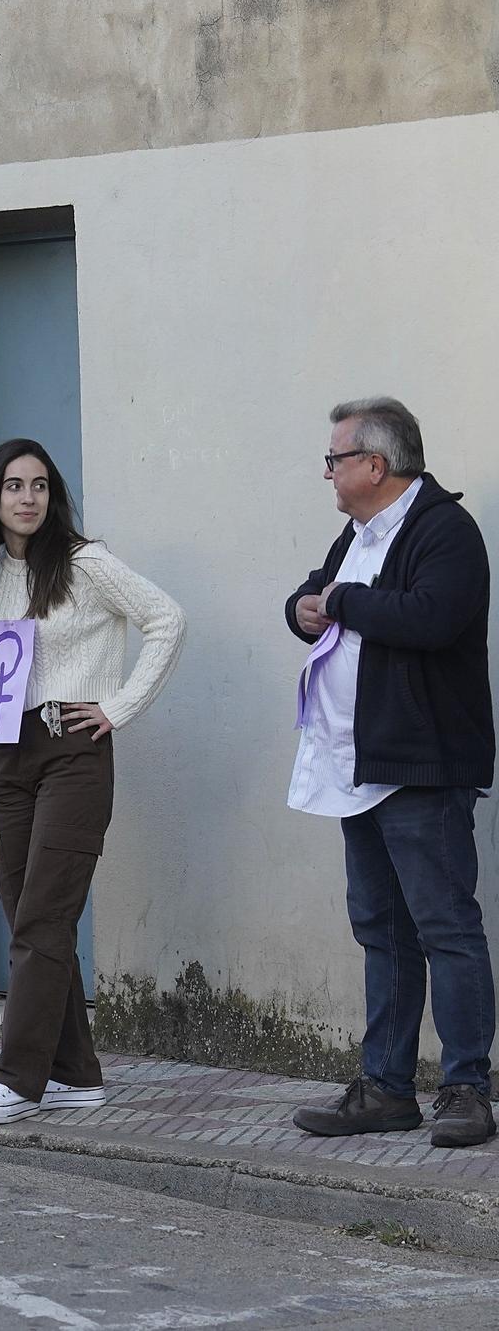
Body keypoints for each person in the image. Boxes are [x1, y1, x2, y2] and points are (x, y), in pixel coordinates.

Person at [0, 438, 184, 1125]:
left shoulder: (86, 563)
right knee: (28, 916)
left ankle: (17, 1078)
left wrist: (118, 705)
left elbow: (167, 619)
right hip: (5, 751)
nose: (28, 498)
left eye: (40, 485)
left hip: (71, 748)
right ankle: (75, 1073)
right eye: (14, 486)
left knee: (45, 917)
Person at [286, 398, 496, 1149]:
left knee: (445, 926)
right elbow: (314, 594)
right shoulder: (359, 532)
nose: (328, 472)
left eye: (336, 459)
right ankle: (386, 1087)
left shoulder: (444, 531)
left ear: (376, 465)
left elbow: (432, 617)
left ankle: (469, 1087)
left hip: (423, 765)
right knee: (382, 928)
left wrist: (339, 601)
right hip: (357, 763)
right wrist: (304, 607)